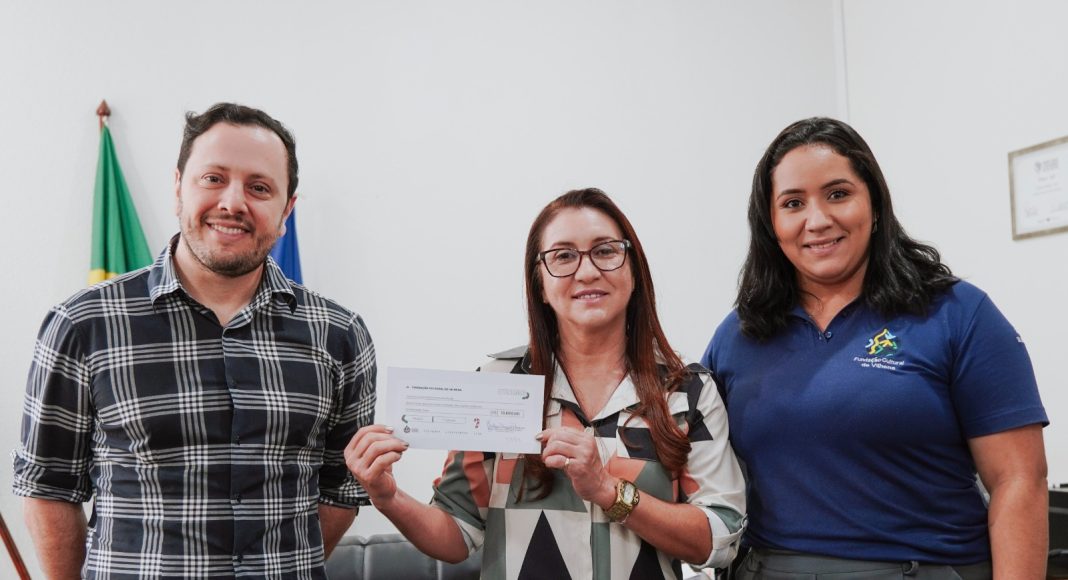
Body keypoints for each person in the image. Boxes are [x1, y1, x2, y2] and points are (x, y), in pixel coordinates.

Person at [13, 103, 377, 579]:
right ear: (178, 187)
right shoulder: (82, 325)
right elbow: (48, 489)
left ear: (286, 210)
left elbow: (341, 489)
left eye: (259, 187)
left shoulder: (340, 335)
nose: (233, 202)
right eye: (213, 178)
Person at [703, 117, 1049, 578]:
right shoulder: (739, 334)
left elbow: (1018, 480)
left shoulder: (958, 314)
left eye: (838, 194)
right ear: (771, 223)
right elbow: (696, 468)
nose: (817, 220)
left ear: (875, 203)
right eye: (793, 203)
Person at [346, 188, 746, 579]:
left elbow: (719, 537)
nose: (587, 272)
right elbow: (457, 534)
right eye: (563, 256)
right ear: (540, 284)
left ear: (633, 270)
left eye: (605, 251)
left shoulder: (686, 391)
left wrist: (608, 490)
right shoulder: (497, 385)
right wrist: (387, 496)